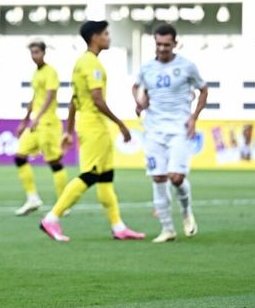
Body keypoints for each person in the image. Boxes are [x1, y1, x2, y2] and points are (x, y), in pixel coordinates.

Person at [39, 20, 145, 242]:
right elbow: (96, 99)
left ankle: (118, 226)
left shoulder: (82, 62)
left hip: (90, 124)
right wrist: (121, 124)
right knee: (90, 175)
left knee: (105, 177)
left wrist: (68, 130)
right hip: (94, 125)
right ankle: (51, 218)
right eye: (105, 34)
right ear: (95, 37)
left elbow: (74, 100)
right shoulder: (91, 63)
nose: (109, 37)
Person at [133, 23, 208, 242]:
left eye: (167, 44)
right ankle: (167, 228)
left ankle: (186, 210)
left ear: (175, 43)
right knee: (158, 177)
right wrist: (140, 102)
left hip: (178, 128)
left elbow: (203, 89)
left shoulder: (187, 66)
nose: (163, 48)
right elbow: (137, 87)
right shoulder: (147, 68)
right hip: (154, 129)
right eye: (159, 44)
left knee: (175, 178)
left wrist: (194, 117)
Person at [14, 41, 68, 215]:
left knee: (54, 162)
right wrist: (24, 120)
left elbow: (50, 96)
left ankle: (63, 203)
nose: (34, 55)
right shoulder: (36, 74)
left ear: (44, 53)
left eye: (37, 52)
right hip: (36, 124)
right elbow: (35, 97)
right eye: (32, 52)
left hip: (49, 124)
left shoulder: (50, 72)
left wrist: (37, 117)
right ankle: (32, 198)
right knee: (19, 157)